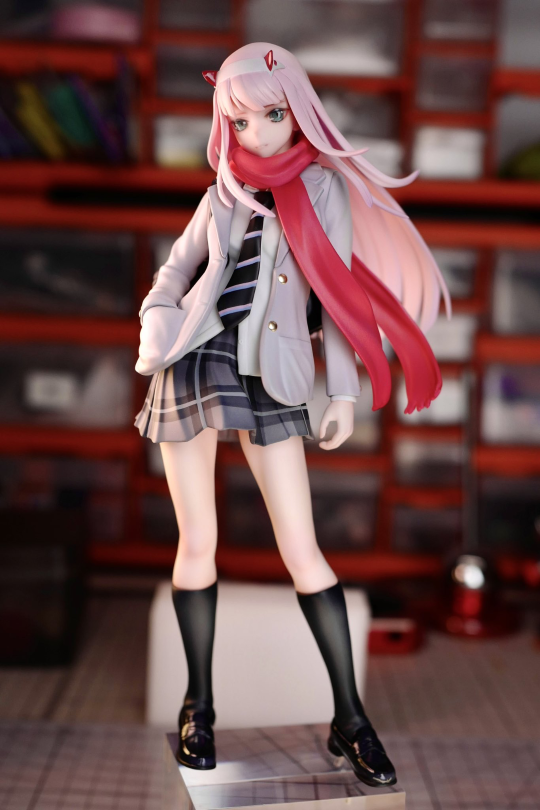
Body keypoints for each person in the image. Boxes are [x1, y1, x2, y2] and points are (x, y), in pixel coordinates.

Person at [134, 42, 450, 788]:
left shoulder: (321, 188)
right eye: (241, 121)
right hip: (194, 358)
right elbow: (177, 268)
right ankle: (198, 707)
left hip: (271, 374)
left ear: (298, 109)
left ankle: (351, 718)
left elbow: (338, 294)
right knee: (197, 541)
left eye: (271, 115)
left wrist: (342, 392)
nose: (257, 133)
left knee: (303, 550)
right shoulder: (222, 191)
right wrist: (156, 316)